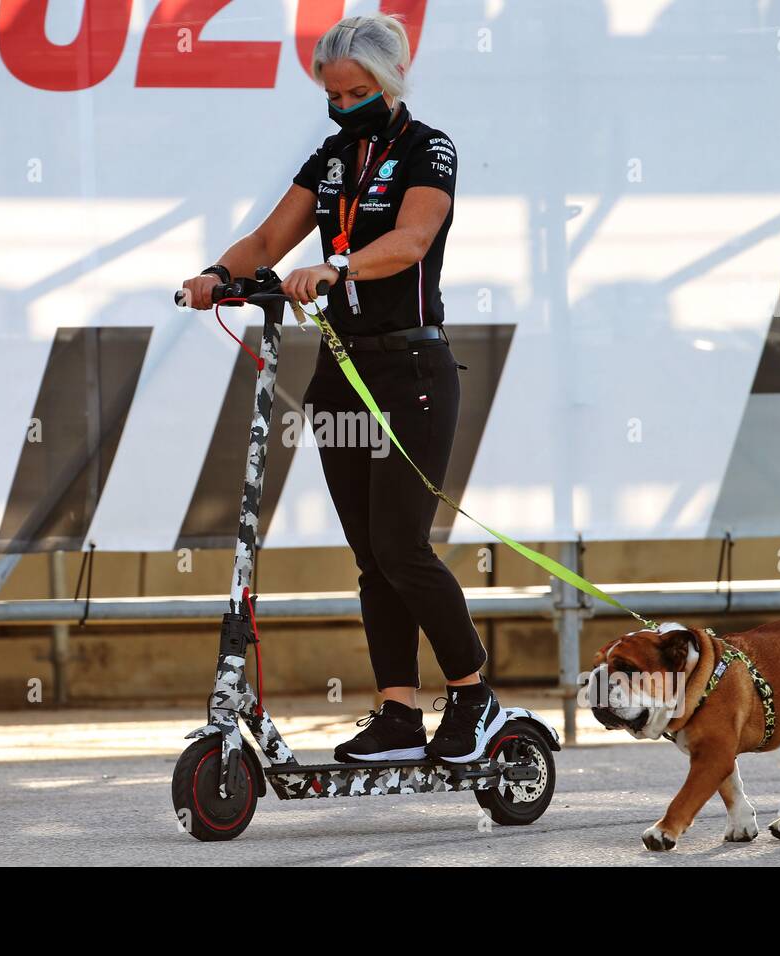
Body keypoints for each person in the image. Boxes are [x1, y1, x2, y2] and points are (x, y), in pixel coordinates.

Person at [178, 13, 502, 765]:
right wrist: (218, 275)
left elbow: (412, 240)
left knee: (402, 543)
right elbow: (267, 242)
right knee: (370, 554)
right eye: (333, 92)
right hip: (341, 374)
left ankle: (474, 696)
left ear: (389, 83)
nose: (344, 103)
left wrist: (340, 266)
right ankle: (398, 713)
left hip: (411, 372)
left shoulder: (430, 150)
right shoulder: (331, 158)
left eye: (358, 91)